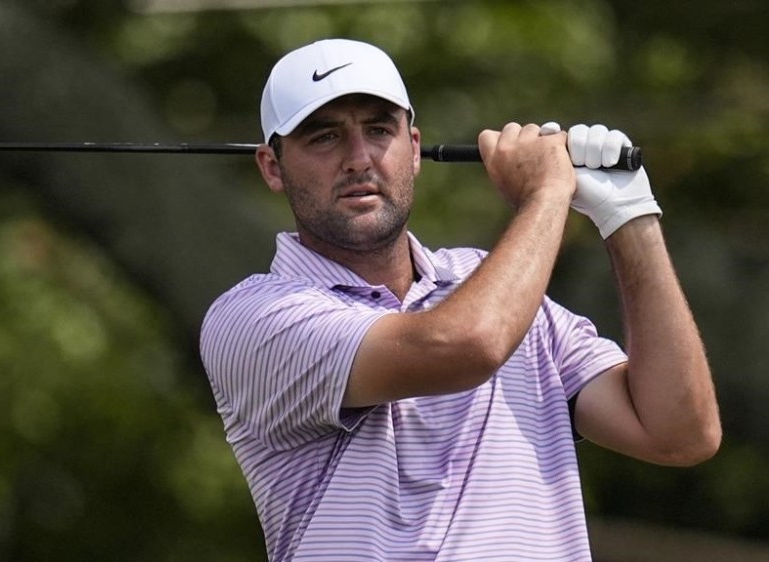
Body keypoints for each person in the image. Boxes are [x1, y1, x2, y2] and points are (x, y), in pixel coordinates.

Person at [199, 38, 721, 561]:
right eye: (324, 137)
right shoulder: (253, 317)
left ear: (414, 146)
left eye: (379, 130)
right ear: (272, 166)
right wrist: (546, 194)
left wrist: (630, 218)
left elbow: (679, 432)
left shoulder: (498, 289)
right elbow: (467, 345)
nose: (358, 159)